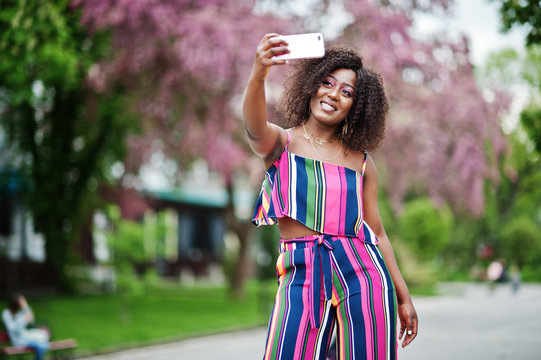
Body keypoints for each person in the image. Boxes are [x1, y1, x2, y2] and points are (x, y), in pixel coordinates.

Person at [243, 33, 418, 359]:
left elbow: (377, 232)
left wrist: (403, 294)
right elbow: (253, 128)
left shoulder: (362, 162)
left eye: (347, 92)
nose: (334, 94)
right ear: (311, 86)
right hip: (302, 272)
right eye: (327, 82)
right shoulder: (282, 144)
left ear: (357, 106)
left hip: (363, 275)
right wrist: (259, 73)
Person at [2, 293, 50, 360]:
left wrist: (25, 307)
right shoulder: (6, 314)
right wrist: (24, 321)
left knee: (44, 344)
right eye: (22, 301)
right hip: (18, 340)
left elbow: (31, 322)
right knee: (40, 346)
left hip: (24, 337)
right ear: (16, 302)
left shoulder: (20, 312)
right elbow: (13, 329)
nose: (23, 303)